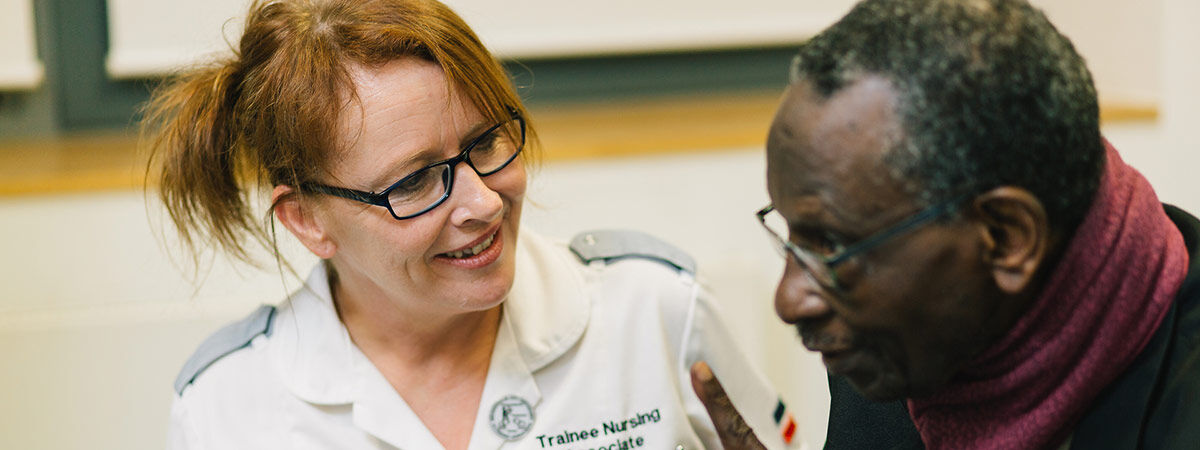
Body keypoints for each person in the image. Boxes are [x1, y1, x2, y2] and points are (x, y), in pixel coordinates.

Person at [144, 1, 799, 449]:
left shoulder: (656, 309)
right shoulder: (227, 407)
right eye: (415, 180)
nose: (484, 203)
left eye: (485, 143)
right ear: (307, 221)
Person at [689, 0, 1200, 448]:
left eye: (832, 246)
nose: (789, 299)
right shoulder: (901, 354)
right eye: (792, 238)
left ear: (1006, 238)